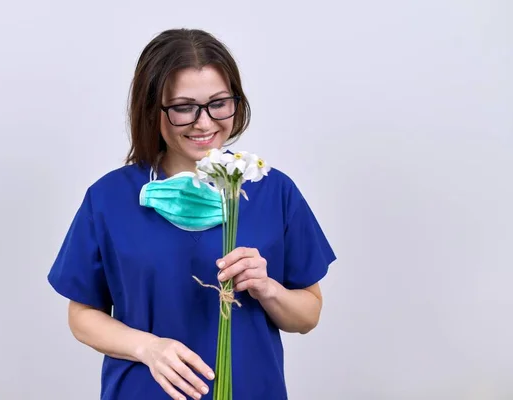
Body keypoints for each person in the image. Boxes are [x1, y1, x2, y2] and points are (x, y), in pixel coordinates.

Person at [47, 28, 336, 400]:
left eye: (219, 103)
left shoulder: (271, 190)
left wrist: (268, 289)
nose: (204, 122)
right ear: (152, 109)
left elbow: (308, 315)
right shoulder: (111, 198)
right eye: (184, 107)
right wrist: (148, 348)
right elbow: (82, 315)